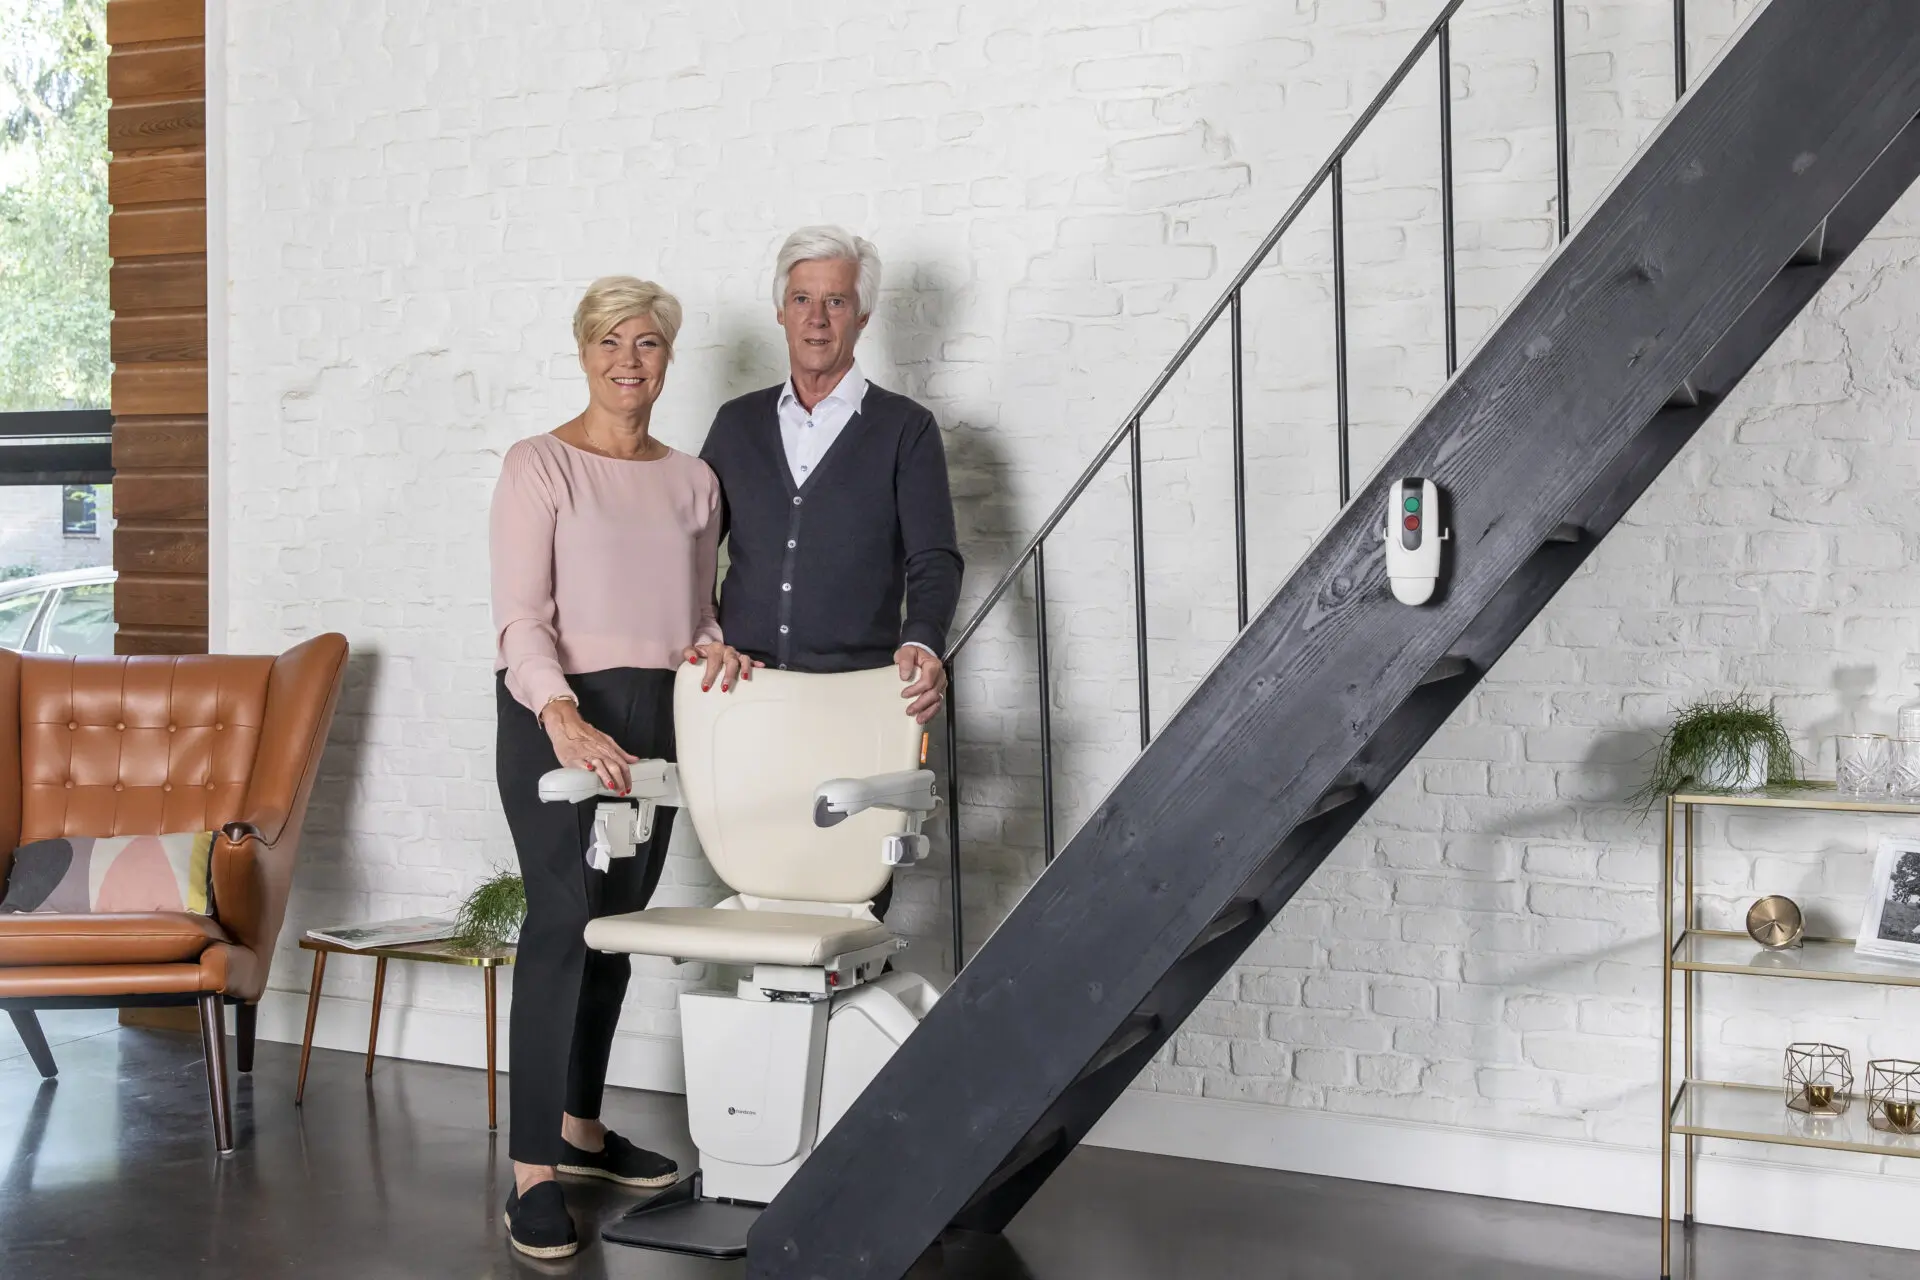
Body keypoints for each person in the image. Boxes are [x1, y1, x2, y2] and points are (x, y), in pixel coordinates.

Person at [490, 276, 753, 1260]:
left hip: (658, 715)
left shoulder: (693, 482)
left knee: (616, 932)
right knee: (564, 922)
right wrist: (558, 711)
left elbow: (697, 612)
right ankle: (532, 1171)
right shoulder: (540, 466)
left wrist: (717, 650)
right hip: (558, 711)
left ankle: (582, 1130)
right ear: (583, 349)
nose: (627, 359)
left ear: (666, 359)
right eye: (609, 340)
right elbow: (522, 615)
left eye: (646, 343)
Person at [699, 226, 963, 919]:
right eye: (802, 299)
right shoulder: (735, 425)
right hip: (747, 701)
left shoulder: (906, 429)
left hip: (860, 705)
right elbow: (692, 549)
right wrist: (702, 628)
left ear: (864, 317)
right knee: (757, 901)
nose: (817, 319)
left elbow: (934, 556)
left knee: (851, 913)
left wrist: (925, 639)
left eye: (837, 302)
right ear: (780, 310)